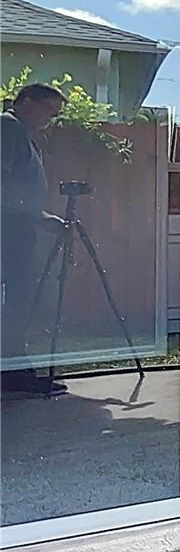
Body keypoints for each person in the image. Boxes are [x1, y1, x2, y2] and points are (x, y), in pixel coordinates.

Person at [1, 83, 66, 393]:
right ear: (27, 101)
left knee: (17, 299)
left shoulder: (21, 135)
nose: (48, 120)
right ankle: (13, 372)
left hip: (17, 228)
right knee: (14, 300)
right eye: (48, 111)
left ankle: (14, 369)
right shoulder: (8, 127)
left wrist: (41, 218)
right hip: (8, 232)